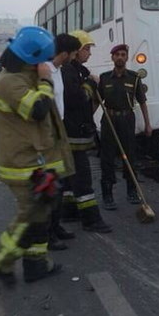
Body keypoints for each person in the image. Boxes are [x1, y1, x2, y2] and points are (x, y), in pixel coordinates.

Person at [0, 26, 74, 285]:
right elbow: (38, 109)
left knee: (40, 216)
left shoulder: (23, 75)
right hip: (21, 165)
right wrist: (47, 80)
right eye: (43, 60)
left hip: (35, 161)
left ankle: (36, 264)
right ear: (33, 58)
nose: (46, 64)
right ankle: (2, 260)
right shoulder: (9, 82)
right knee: (28, 218)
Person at [61, 30, 112, 233]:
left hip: (74, 132)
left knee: (70, 175)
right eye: (87, 49)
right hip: (73, 133)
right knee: (82, 177)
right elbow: (76, 99)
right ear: (78, 50)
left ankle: (69, 211)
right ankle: (91, 220)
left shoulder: (76, 70)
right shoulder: (69, 72)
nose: (89, 53)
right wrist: (91, 84)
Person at [98, 44, 152, 209]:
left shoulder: (134, 78)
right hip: (109, 120)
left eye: (123, 54)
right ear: (112, 57)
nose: (120, 57)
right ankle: (107, 195)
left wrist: (148, 124)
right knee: (107, 158)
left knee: (130, 156)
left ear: (127, 58)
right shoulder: (104, 78)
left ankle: (132, 191)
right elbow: (97, 100)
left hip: (127, 119)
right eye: (117, 55)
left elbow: (142, 102)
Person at [46, 33, 81, 250]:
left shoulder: (58, 71)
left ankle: (55, 226)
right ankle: (48, 234)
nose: (75, 57)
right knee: (51, 185)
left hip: (59, 131)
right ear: (66, 53)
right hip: (48, 134)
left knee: (59, 183)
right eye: (74, 53)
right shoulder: (45, 72)